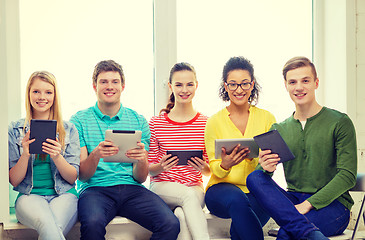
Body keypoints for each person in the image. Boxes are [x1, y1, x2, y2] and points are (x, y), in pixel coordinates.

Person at [247, 56, 357, 240]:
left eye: (305, 80)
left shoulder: (340, 122)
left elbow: (348, 176)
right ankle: (312, 234)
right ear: (286, 86)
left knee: (286, 234)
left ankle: (301, 228)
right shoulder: (279, 129)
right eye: (293, 82)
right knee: (255, 177)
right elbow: (262, 179)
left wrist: (309, 204)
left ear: (316, 82)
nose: (299, 87)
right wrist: (266, 169)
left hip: (334, 206)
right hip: (294, 201)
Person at [70, 60, 179, 240]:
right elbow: (83, 175)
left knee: (170, 224)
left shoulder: (138, 120)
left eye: (114, 81)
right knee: (92, 224)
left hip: (132, 189)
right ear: (94, 86)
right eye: (103, 81)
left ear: (123, 86)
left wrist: (142, 159)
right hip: (95, 189)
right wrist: (96, 154)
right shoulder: (79, 120)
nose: (109, 86)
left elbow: (140, 177)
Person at [204, 56, 276, 240]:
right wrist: (225, 165)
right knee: (239, 201)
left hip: (256, 188)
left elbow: (269, 169)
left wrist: (260, 162)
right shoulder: (214, 122)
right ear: (225, 86)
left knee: (252, 216)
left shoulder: (267, 118)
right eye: (233, 84)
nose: (239, 90)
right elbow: (215, 168)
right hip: (221, 189)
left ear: (252, 85)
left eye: (244, 84)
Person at [8, 71, 80, 240]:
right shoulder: (15, 129)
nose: (42, 97)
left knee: (52, 229)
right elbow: (14, 180)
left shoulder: (69, 129)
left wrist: (57, 156)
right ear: (28, 94)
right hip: (29, 196)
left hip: (64, 194)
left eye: (48, 92)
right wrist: (25, 153)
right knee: (49, 226)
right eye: (36, 91)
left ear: (55, 96)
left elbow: (72, 178)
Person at [148, 62, 210, 240]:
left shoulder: (206, 123)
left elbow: (210, 170)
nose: (184, 90)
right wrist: (161, 166)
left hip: (194, 187)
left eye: (189, 84)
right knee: (187, 196)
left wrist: (203, 167)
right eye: (178, 84)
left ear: (196, 85)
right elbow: (148, 168)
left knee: (182, 216)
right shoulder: (156, 123)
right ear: (170, 86)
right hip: (162, 187)